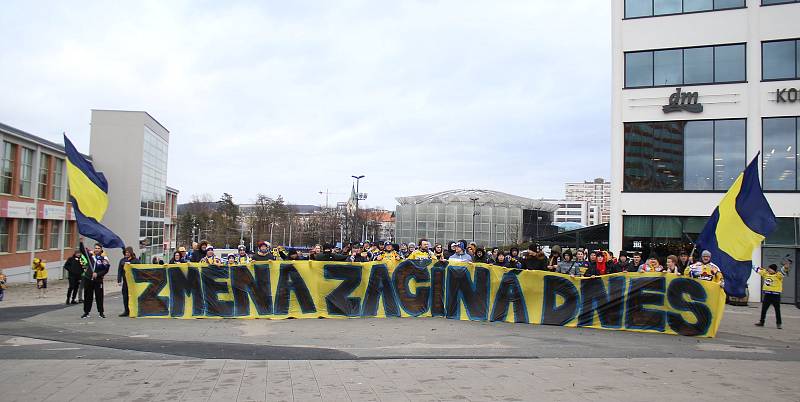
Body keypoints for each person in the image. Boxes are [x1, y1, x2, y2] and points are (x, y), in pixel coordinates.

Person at [82, 242, 111, 318]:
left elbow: (106, 270)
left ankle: (101, 312)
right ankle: (86, 312)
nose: (97, 250)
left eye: (98, 248)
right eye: (96, 248)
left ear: (101, 249)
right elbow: (83, 251)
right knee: (88, 296)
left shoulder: (104, 258)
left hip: (98, 280)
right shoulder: (90, 255)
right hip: (88, 279)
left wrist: (97, 274)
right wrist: (81, 242)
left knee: (99, 296)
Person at [754, 264, 784, 329]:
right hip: (767, 295)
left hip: (776, 295)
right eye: (769, 268)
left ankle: (779, 324)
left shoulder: (778, 275)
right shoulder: (766, 273)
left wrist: (785, 268)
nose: (769, 269)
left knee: (777, 310)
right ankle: (761, 322)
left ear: (774, 270)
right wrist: (749, 263)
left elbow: (783, 272)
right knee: (764, 309)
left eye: (770, 268)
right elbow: (757, 270)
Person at [117, 247, 139, 317]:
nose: (127, 254)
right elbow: (120, 270)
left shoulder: (135, 260)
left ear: (131, 253)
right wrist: (119, 280)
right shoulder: (122, 261)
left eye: (128, 252)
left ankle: (134, 310)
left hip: (133, 281)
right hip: (125, 281)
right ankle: (126, 310)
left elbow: (139, 269)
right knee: (125, 296)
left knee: (133, 296)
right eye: (126, 252)